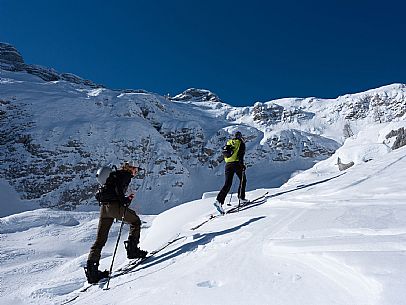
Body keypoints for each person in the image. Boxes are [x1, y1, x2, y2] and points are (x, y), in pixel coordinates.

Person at [85, 162, 148, 284]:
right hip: (114, 207)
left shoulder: (113, 176)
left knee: (100, 240)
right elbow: (118, 190)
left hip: (104, 209)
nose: (137, 172)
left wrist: (125, 199)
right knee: (135, 221)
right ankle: (132, 250)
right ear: (130, 168)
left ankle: (92, 272)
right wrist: (126, 200)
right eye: (136, 169)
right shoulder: (124, 175)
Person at [214, 131, 247, 214]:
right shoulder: (240, 143)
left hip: (228, 165)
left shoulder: (229, 142)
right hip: (237, 164)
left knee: (227, 184)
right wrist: (242, 165)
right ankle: (241, 197)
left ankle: (219, 201)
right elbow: (240, 155)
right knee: (243, 180)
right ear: (240, 136)